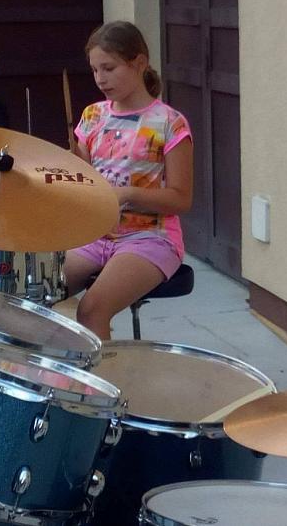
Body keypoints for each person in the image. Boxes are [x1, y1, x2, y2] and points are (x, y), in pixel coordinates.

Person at [63, 21, 193, 340]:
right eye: (95, 70)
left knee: (92, 309)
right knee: (36, 290)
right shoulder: (93, 116)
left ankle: (103, 374)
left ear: (139, 63)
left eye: (109, 68)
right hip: (96, 233)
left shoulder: (170, 123)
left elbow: (181, 199)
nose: (100, 78)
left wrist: (127, 193)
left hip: (151, 237)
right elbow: (85, 181)